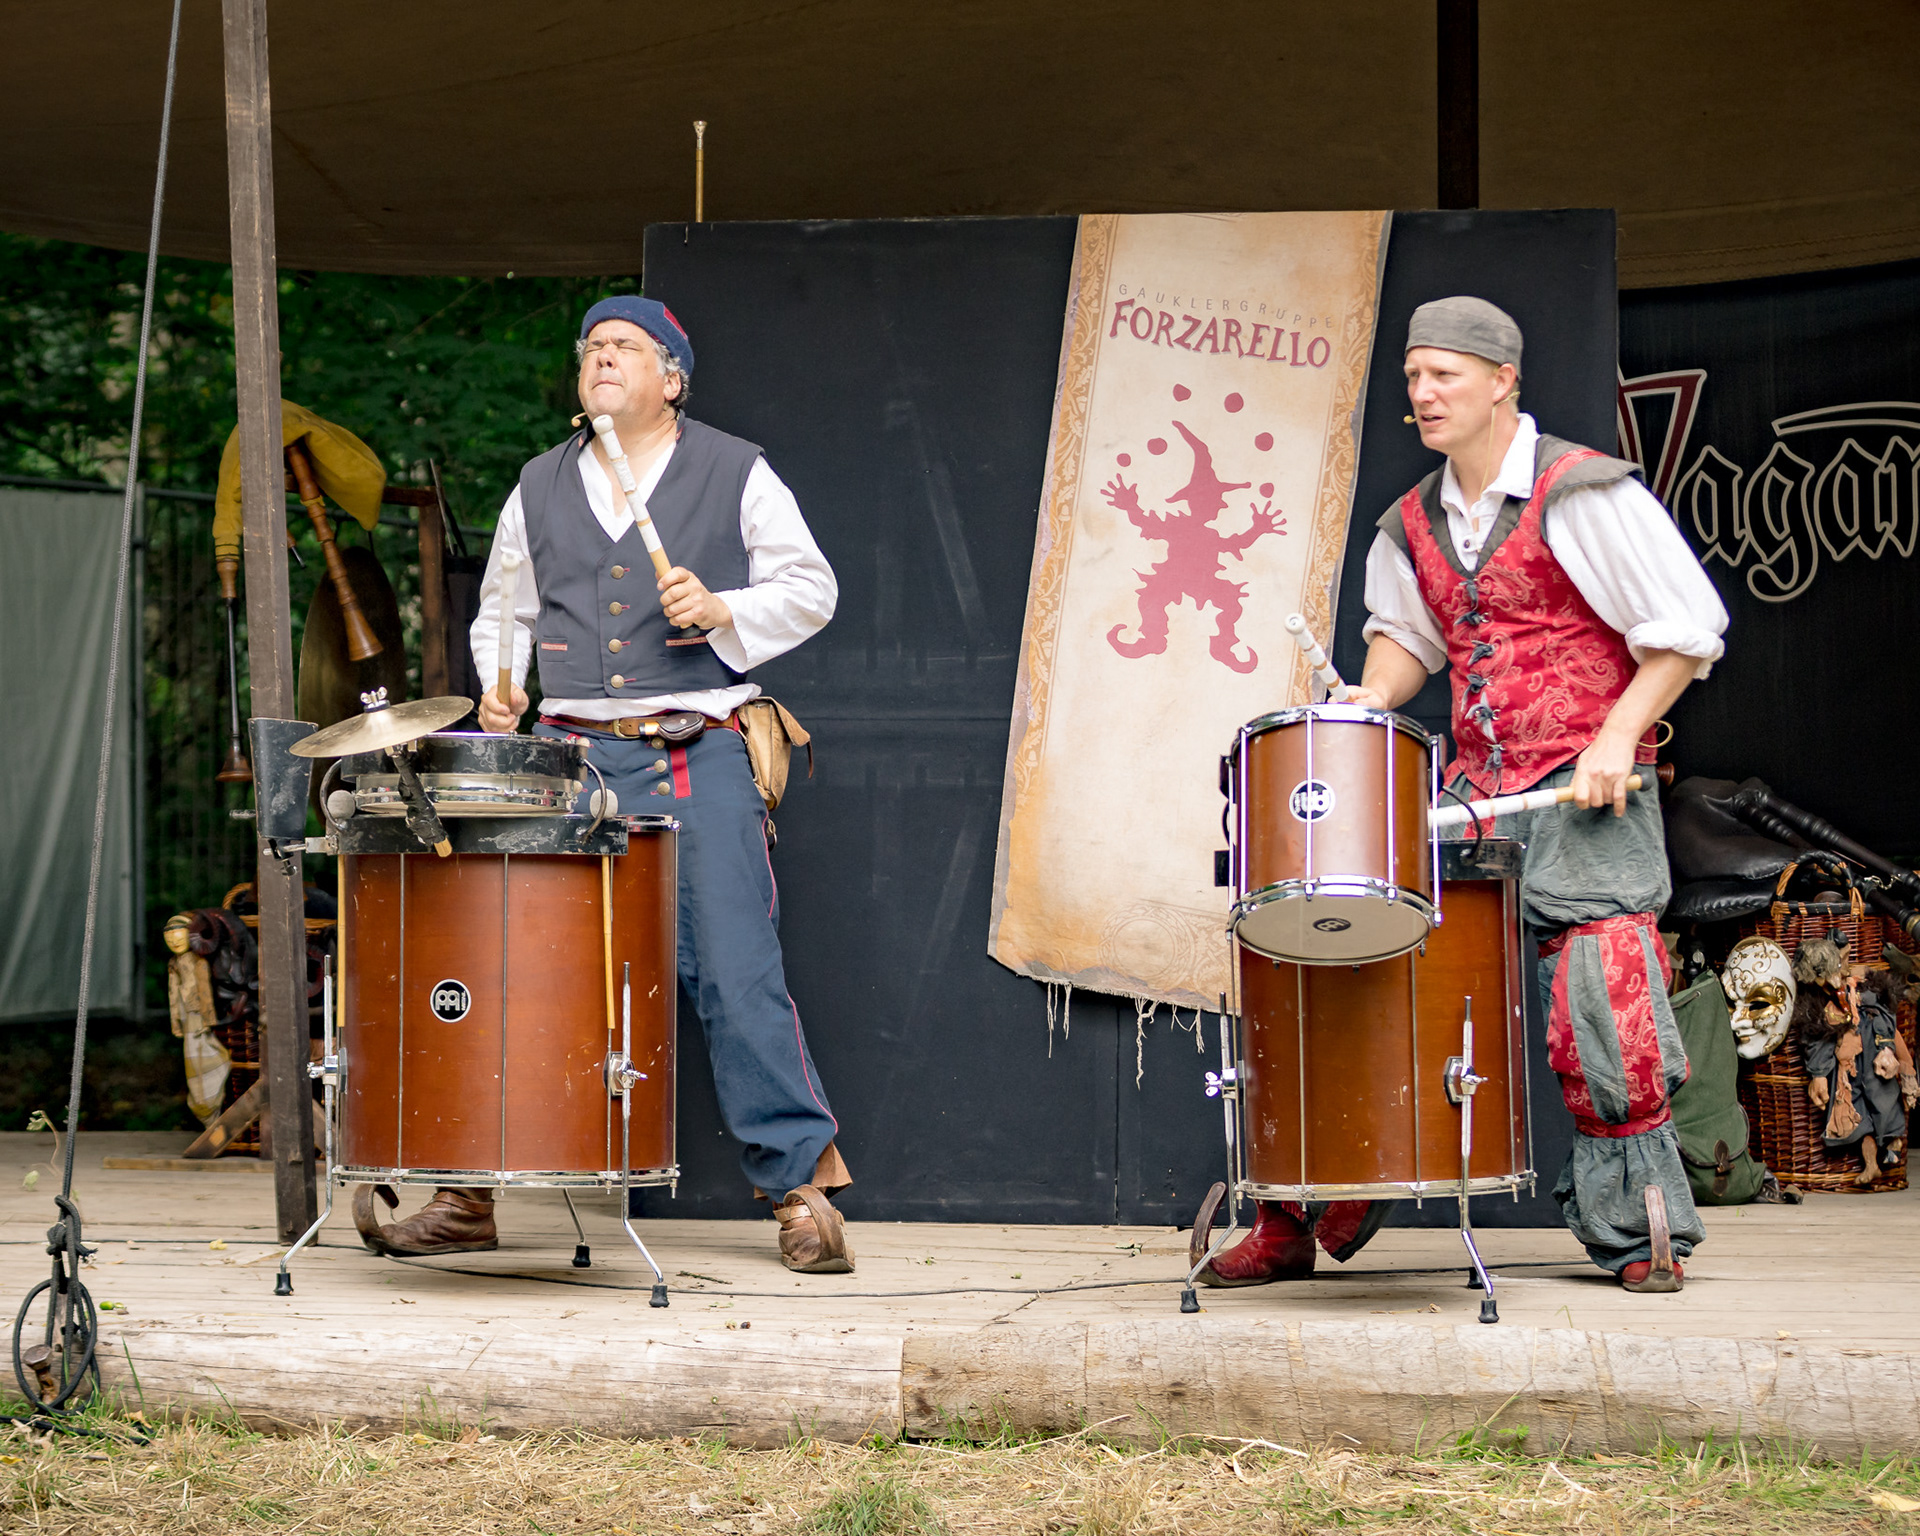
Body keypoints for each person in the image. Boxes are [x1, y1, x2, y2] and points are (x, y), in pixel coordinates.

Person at [1199, 296, 1729, 1293]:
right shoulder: (1412, 522)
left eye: (1444, 374)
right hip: (1468, 797)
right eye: (1413, 378)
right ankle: (1301, 1213)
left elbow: (1687, 629)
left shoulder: (1583, 495)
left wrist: (1619, 735)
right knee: (1353, 963)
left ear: (1501, 383)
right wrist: (1371, 694)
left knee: (1602, 1002)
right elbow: (1411, 639)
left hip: (1584, 791)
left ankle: (1639, 1228)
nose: (1425, 393)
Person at [353, 295, 854, 1273]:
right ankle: (471, 1191)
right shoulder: (539, 484)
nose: (603, 359)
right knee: (517, 969)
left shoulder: (733, 470)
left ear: (673, 378)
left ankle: (801, 1192)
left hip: (693, 746)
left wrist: (722, 606)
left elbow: (812, 589)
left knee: (734, 972)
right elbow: (505, 607)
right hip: (568, 754)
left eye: (626, 347)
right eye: (591, 350)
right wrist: (502, 687)